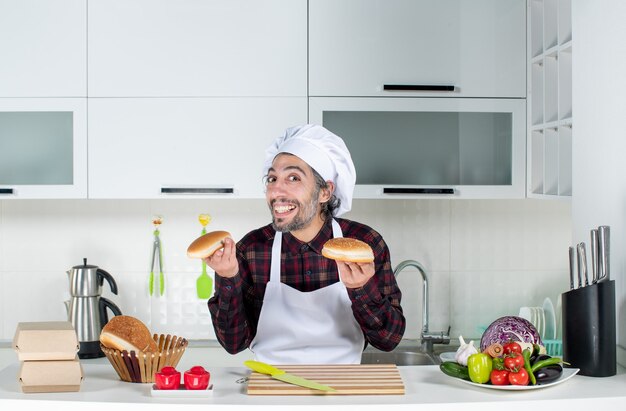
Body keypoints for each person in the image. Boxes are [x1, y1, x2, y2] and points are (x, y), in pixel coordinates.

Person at [206, 124, 405, 364]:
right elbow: (233, 343)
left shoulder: (364, 244)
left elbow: (388, 340)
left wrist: (361, 289)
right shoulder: (250, 249)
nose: (276, 190)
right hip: (270, 388)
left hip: (343, 388)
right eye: (272, 178)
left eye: (293, 178)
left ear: (324, 192)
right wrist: (228, 278)